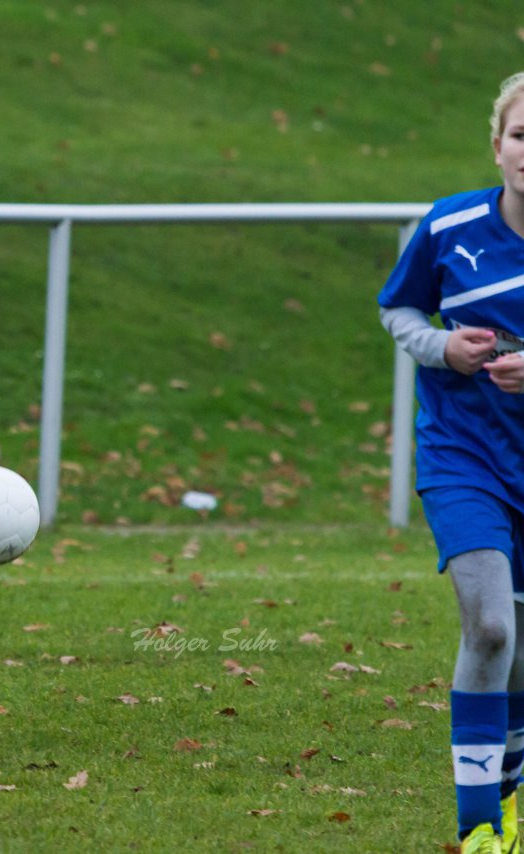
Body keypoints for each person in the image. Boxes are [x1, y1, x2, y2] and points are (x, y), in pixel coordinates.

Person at [379, 71, 524, 854]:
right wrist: (442, 348)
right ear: (498, 146)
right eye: (521, 135)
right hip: (463, 455)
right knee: (493, 629)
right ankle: (477, 831)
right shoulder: (449, 224)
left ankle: (509, 795)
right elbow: (396, 308)